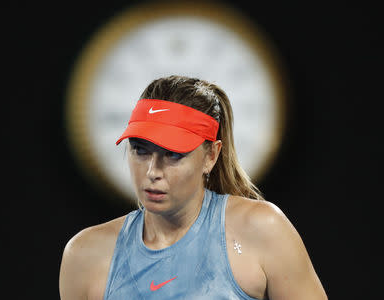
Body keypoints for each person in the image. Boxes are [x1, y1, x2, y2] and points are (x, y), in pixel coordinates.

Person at [59, 75, 327, 299]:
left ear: (211, 155)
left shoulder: (262, 229)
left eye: (173, 154)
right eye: (140, 151)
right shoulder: (85, 255)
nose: (152, 172)